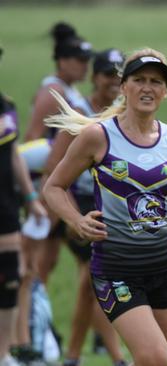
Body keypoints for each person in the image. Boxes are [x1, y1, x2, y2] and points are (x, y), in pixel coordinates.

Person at [42, 48, 167, 366]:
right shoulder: (97, 137)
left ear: (165, 91)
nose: (147, 88)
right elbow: (54, 187)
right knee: (154, 357)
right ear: (124, 86)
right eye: (139, 79)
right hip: (118, 269)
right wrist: (76, 220)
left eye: (156, 82)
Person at [12, 22, 93, 362]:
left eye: (86, 59)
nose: (83, 66)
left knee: (49, 264)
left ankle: (39, 333)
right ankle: (29, 333)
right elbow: (30, 143)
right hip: (50, 191)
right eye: (77, 59)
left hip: (67, 188)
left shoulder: (71, 92)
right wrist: (36, 196)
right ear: (61, 61)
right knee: (35, 267)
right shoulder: (51, 93)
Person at [42, 48, 128, 366]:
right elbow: (54, 167)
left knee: (90, 286)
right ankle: (114, 357)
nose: (114, 82)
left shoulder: (126, 114)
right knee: (92, 282)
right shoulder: (79, 114)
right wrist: (65, 216)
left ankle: (75, 357)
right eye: (108, 75)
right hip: (79, 207)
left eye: (120, 76)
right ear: (95, 78)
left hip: (110, 207)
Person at [0, 46, 47, 366]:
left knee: (10, 277)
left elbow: (14, 152)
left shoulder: (7, 105)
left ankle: (2, 353)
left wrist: (31, 199)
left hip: (6, 204)